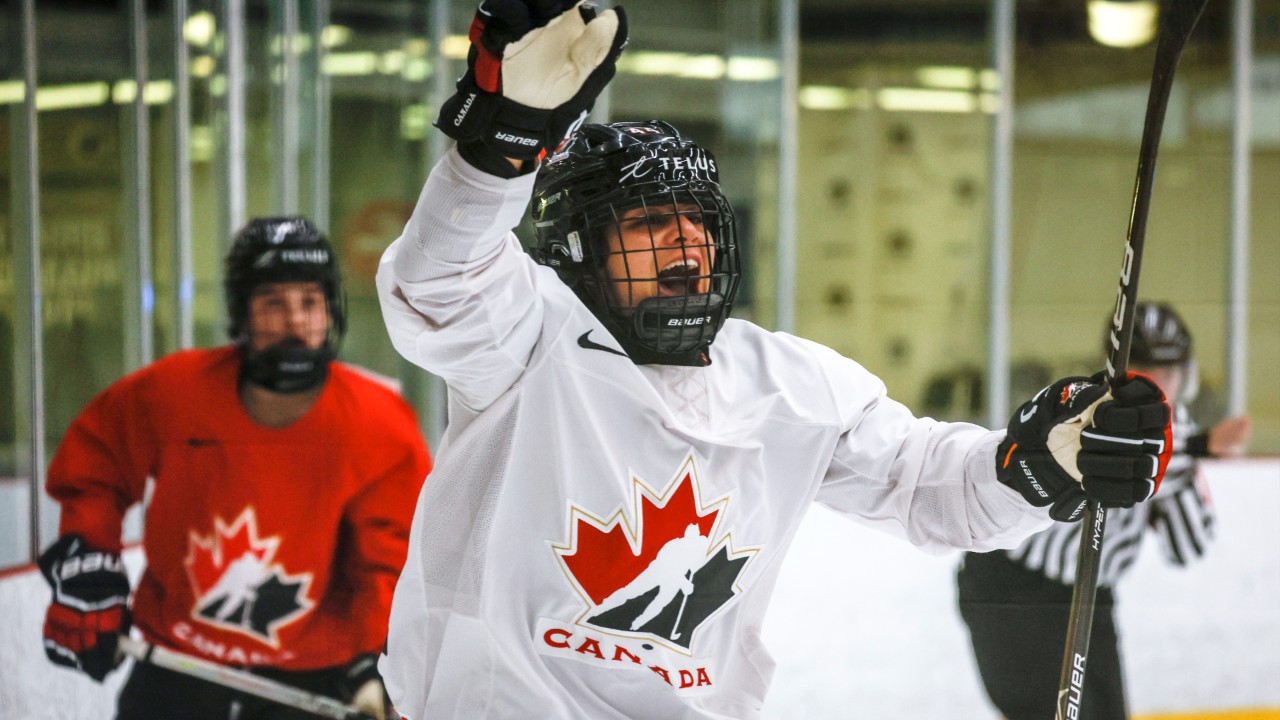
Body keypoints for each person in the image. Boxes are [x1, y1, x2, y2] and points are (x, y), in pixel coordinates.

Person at [373, 2, 1173, 717]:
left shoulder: (787, 383)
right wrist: (500, 150)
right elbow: (438, 277)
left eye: (699, 223)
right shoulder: (527, 336)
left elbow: (931, 486)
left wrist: (1037, 464)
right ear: (578, 245)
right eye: (650, 222)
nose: (686, 241)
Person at [37, 217, 433, 720]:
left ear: (331, 309)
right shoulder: (174, 394)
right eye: (273, 304)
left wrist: (373, 662)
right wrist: (91, 569)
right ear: (242, 313)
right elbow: (96, 468)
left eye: (309, 303)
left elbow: (389, 562)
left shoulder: (378, 423)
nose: (294, 323)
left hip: (314, 674)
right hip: (176, 664)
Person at [956, 301, 1251, 720]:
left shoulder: (1176, 439)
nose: (1157, 385)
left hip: (1092, 598)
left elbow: (1188, 548)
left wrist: (1186, 465)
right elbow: (1146, 442)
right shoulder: (1085, 409)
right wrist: (1199, 447)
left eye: (1167, 374)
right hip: (1014, 592)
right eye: (1145, 369)